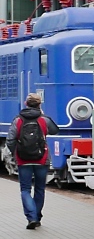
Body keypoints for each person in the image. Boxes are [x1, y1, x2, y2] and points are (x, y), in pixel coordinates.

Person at [6, 93, 59, 229]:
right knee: (40, 189)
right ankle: (37, 216)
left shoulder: (18, 120)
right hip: (42, 159)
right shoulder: (43, 119)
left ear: (26, 104)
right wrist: (44, 115)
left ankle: (31, 217)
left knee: (25, 189)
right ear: (39, 104)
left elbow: (10, 140)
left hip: (23, 160)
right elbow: (55, 130)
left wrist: (15, 153)